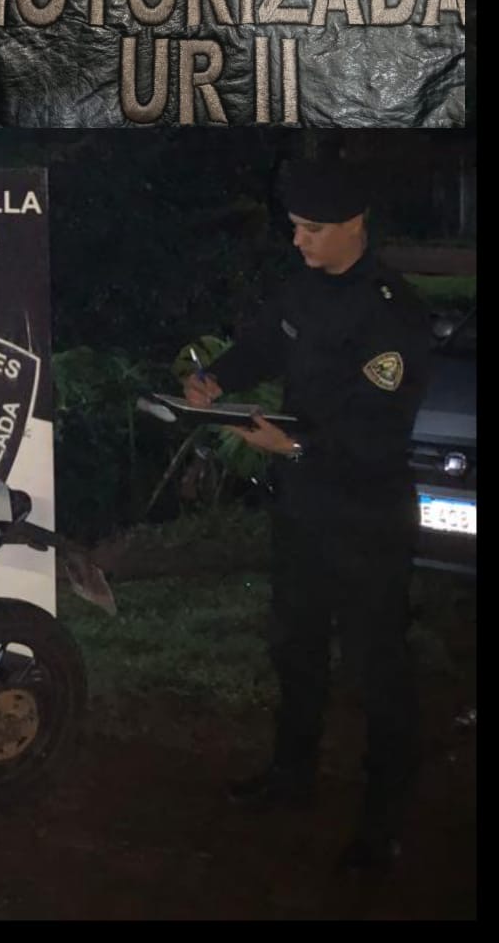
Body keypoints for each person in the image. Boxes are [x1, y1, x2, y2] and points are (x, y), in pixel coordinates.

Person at [182, 159, 431, 874]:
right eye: (295, 228)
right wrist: (216, 378)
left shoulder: (392, 311)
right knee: (296, 647)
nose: (298, 241)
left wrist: (295, 445)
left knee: (377, 668)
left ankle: (382, 825)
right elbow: (265, 342)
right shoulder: (303, 287)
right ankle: (292, 776)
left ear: (355, 226)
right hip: (303, 505)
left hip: (367, 513)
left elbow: (380, 427)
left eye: (312, 230)